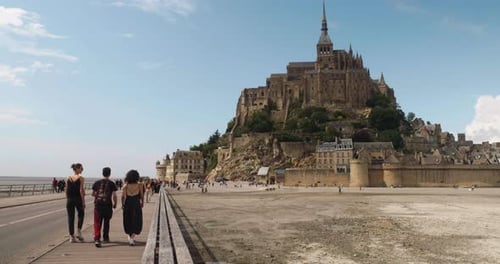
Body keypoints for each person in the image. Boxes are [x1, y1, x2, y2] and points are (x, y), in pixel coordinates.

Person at [92, 167, 118, 247]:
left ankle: (97, 238)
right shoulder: (111, 183)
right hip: (107, 205)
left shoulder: (96, 183)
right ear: (109, 174)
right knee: (106, 222)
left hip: (98, 205)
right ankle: (106, 237)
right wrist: (115, 204)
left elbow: (93, 194)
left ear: (102, 173)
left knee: (97, 222)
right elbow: (114, 195)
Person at [122, 169, 144, 246]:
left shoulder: (125, 185)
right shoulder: (140, 184)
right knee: (137, 219)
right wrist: (142, 203)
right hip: (136, 203)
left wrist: (123, 205)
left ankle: (129, 236)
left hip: (128, 203)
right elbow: (141, 195)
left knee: (128, 219)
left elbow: (124, 197)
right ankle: (132, 238)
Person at [66, 163, 86, 243]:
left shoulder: (68, 178)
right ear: (77, 169)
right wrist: (83, 201)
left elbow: (66, 189)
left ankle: (71, 237)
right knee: (81, 214)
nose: (82, 170)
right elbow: (81, 190)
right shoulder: (81, 178)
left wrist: (68, 198)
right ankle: (79, 231)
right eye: (81, 168)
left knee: (71, 217)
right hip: (78, 199)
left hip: (70, 199)